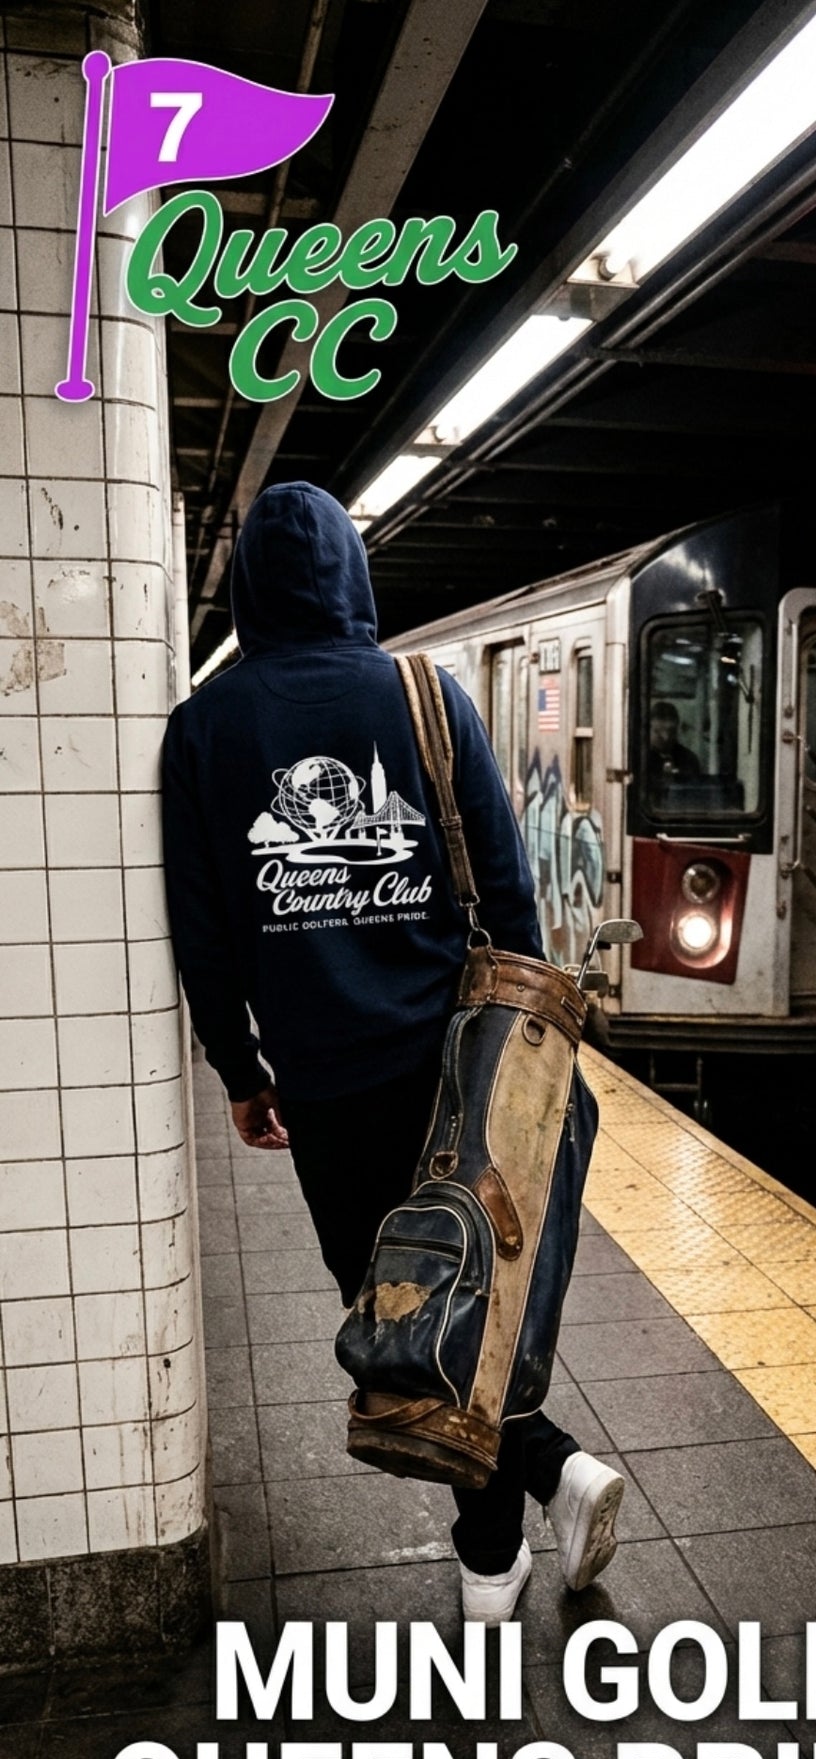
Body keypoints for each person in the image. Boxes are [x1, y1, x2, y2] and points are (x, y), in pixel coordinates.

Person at [162, 481, 624, 1622]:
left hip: (327, 1088)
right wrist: (529, 1052)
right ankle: (533, 1498)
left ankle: (497, 1553)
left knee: (404, 1315)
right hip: (461, 1074)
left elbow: (205, 930)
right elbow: (508, 885)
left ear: (252, 590)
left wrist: (240, 1070)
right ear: (353, 577)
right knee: (471, 1307)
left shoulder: (205, 729)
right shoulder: (425, 693)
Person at [647, 699, 701, 778]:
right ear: (648, 730)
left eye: (671, 731)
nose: (666, 737)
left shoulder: (688, 759)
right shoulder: (639, 759)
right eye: (658, 732)